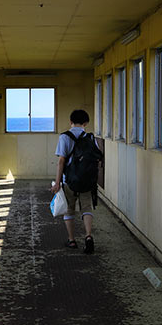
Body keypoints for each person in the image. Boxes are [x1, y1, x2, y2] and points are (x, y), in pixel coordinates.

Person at [51, 109, 101, 254]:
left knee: (69, 210)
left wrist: (57, 182)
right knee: (86, 208)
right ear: (86, 123)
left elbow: (61, 161)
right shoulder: (90, 138)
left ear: (70, 122)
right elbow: (97, 158)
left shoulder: (65, 137)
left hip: (70, 180)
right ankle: (88, 236)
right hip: (87, 180)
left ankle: (72, 240)